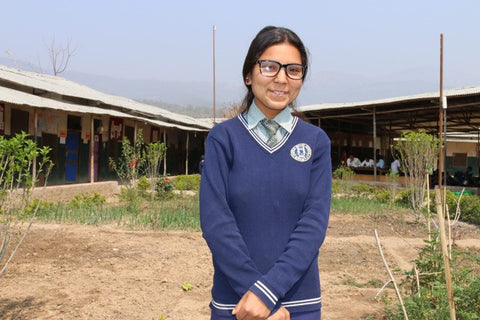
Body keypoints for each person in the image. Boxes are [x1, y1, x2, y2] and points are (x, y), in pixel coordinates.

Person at [200, 26, 332, 320]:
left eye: (293, 70)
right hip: (237, 304)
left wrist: (268, 291)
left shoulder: (315, 142)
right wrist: (258, 295)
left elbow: (313, 225)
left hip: (299, 304)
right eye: (270, 66)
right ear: (249, 75)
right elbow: (216, 223)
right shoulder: (223, 139)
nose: (281, 79)